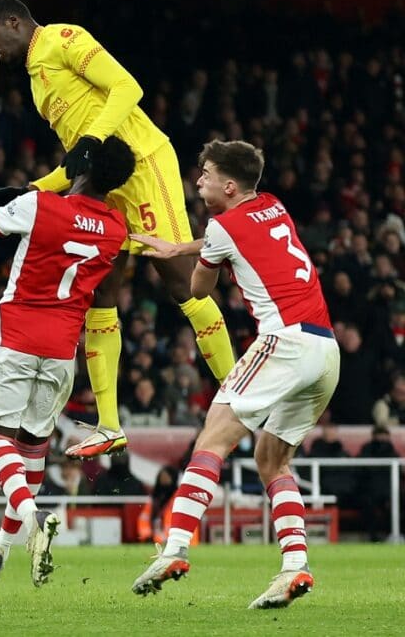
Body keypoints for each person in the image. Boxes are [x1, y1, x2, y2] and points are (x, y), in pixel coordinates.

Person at [0, 0, 235, 458]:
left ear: (14, 22)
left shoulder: (62, 39)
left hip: (142, 165)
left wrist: (93, 138)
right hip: (106, 184)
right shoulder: (37, 83)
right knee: (101, 292)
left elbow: (127, 88)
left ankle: (239, 394)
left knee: (181, 283)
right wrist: (28, 189)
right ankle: (109, 425)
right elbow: (79, 162)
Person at [0, 136, 135, 587]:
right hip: (63, 349)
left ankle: (33, 515)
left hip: (18, 333)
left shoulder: (42, 206)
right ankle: (1, 548)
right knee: (33, 445)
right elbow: (107, 301)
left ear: (84, 171)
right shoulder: (118, 227)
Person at [129, 140, 339, 609]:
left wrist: (182, 260)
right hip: (325, 350)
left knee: (212, 440)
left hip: (283, 342)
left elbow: (198, 288)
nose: (197, 179)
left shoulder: (222, 225)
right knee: (272, 461)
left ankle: (176, 548)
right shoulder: (272, 206)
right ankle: (293, 567)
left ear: (228, 185)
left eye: (204, 173)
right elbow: (230, 240)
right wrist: (181, 244)